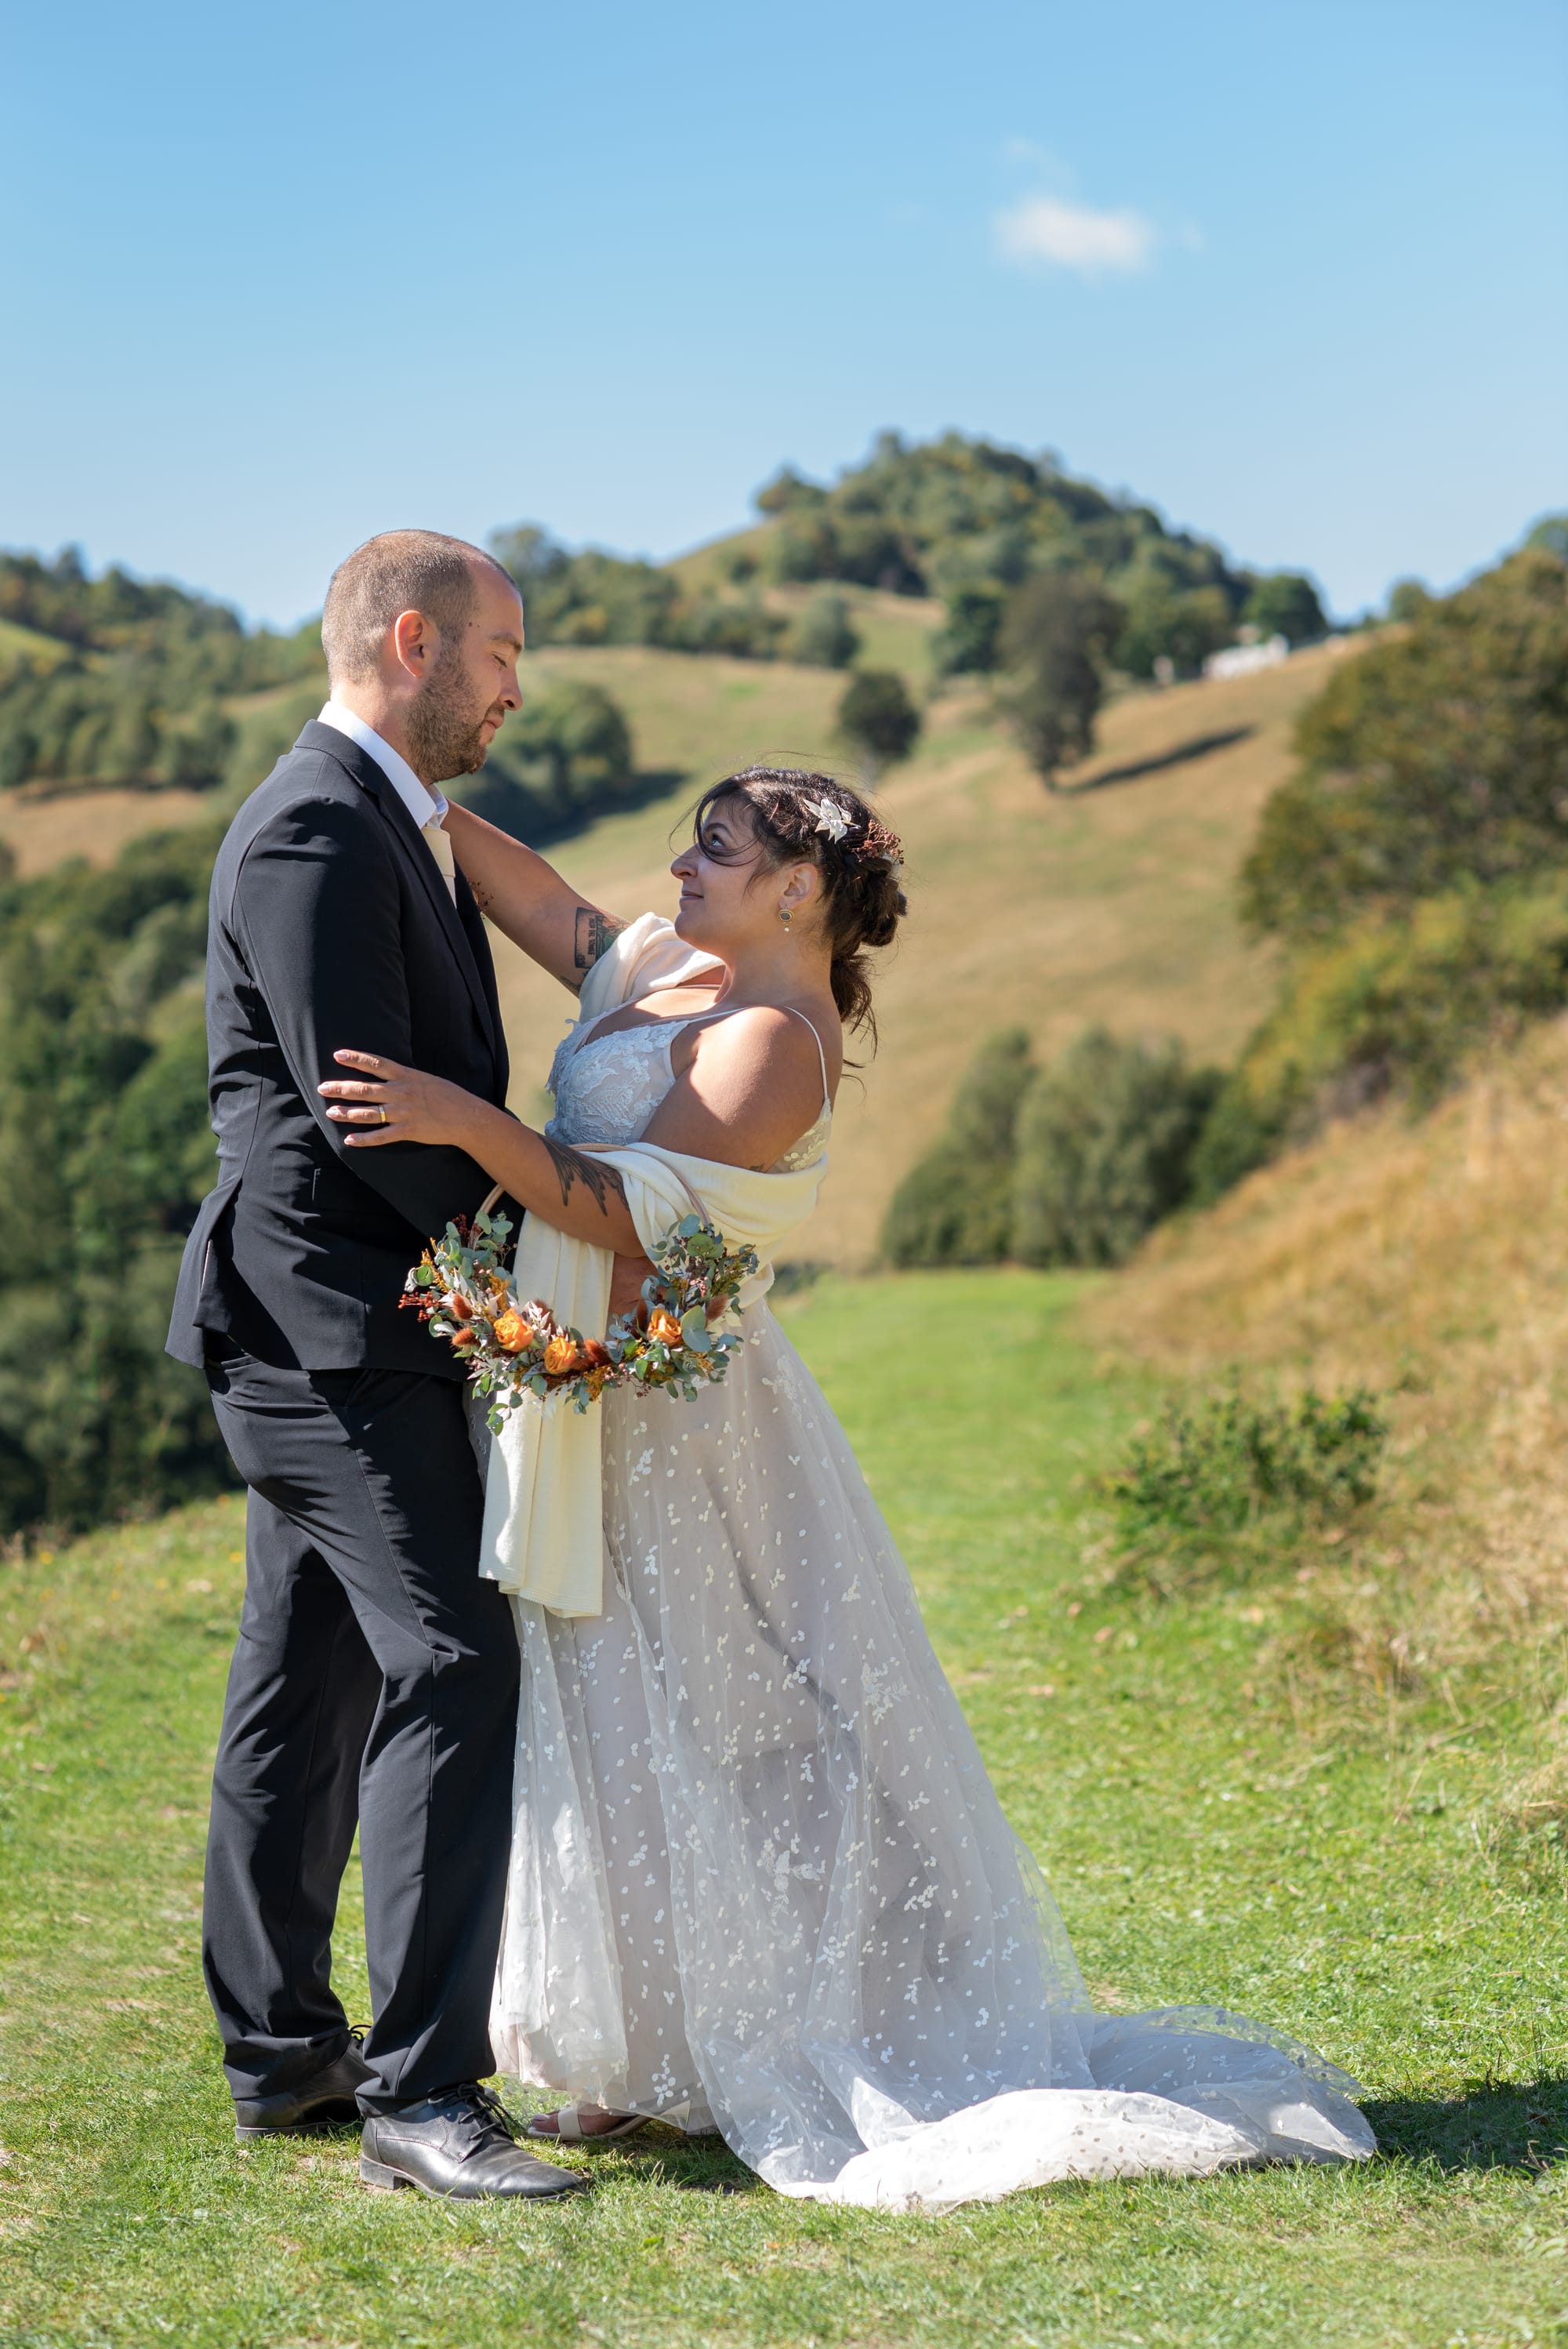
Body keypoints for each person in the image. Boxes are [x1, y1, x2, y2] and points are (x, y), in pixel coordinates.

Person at [318, 764, 1377, 2213]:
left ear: (798, 889)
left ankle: (798, 2018)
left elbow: (615, 1206)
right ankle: (641, 2048)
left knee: (721, 1702)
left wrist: (457, 1115)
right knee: (611, 1691)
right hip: (596, 1384)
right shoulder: (672, 967)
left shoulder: (776, 1041)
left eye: (719, 847)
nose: (683, 864)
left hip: (687, 1420)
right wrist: (403, 794)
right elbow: (550, 910)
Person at [167, 530, 588, 2202]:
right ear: (411, 640)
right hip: (328, 1328)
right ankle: (424, 2098)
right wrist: (530, 1269)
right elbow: (352, 1128)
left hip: (354, 1320)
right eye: (498, 654)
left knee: (308, 1682)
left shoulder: (377, 821)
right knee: (455, 1667)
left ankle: (285, 2057)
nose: (511, 686)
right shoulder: (314, 830)